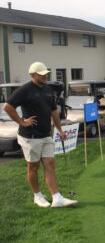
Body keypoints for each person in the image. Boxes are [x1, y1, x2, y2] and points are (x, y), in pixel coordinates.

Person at [3, 62, 78, 208]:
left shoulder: (48, 89)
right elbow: (8, 106)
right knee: (33, 167)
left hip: (46, 135)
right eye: (41, 74)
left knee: (50, 164)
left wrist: (60, 130)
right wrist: (21, 121)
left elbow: (54, 111)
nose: (45, 76)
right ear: (33, 75)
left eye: (46, 74)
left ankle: (56, 197)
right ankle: (37, 196)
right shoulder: (25, 90)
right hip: (30, 136)